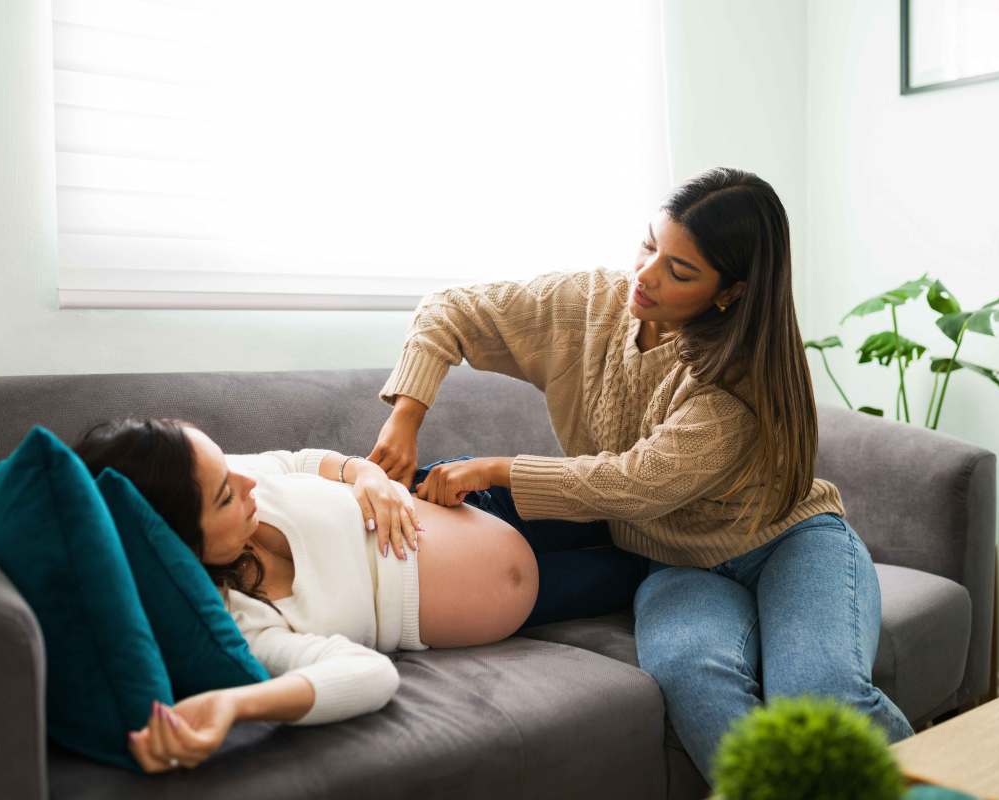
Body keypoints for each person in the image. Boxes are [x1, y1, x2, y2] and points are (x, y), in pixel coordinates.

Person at [368, 167, 915, 781]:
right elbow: (453, 307)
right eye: (650, 245)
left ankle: (959, 780)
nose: (646, 276)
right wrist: (407, 416)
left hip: (791, 544)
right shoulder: (590, 304)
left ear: (730, 291)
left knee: (822, 700)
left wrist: (497, 469)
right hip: (677, 563)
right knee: (695, 679)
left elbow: (635, 483)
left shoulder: (734, 381)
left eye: (680, 271)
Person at [74, 417, 539, 774]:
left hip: (460, 493)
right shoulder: (243, 622)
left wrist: (366, 474)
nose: (247, 483)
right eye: (224, 496)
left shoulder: (221, 477)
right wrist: (237, 704)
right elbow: (368, 674)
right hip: (531, 603)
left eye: (229, 468)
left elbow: (296, 459)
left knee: (608, 493)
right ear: (186, 545)